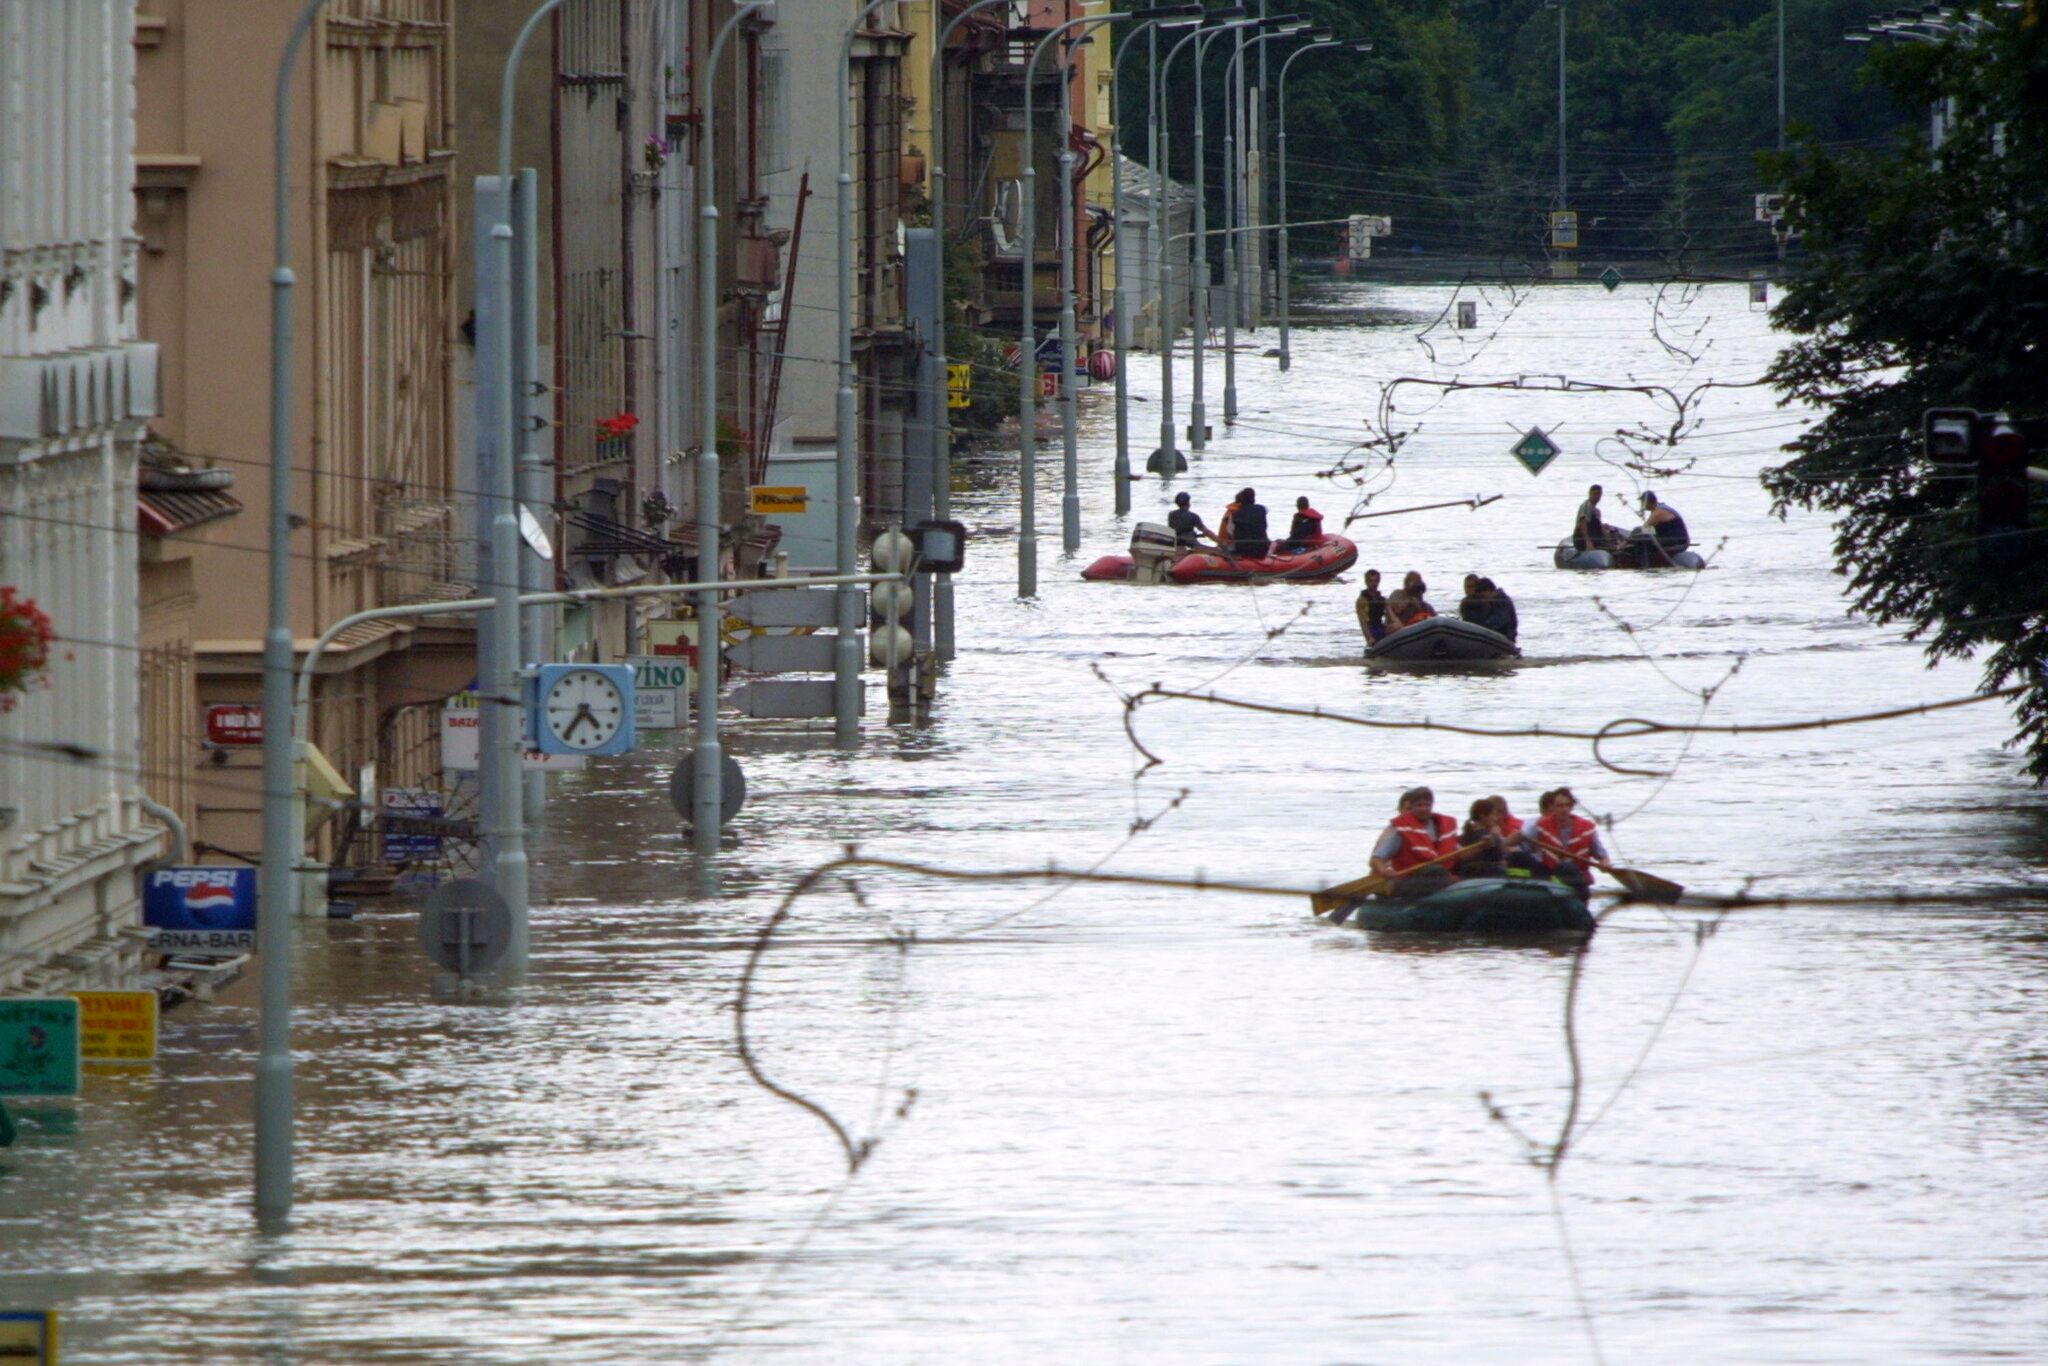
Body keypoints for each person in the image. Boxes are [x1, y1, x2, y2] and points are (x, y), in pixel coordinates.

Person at [1369, 786, 1460, 897]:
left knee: (1443, 870)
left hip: (1437, 876)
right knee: (1434, 870)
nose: (1423, 809)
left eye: (1427, 805)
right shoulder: (1400, 829)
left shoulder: (1439, 826)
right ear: (1411, 808)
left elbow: (1460, 852)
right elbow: (1376, 859)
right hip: (1408, 879)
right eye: (1419, 805)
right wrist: (1383, 871)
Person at [1532, 786, 1608, 893]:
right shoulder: (1541, 826)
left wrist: (1604, 863)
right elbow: (1526, 846)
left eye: (1568, 805)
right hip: (1552, 878)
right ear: (1552, 807)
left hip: (1577, 879)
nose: (1564, 809)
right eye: (1560, 806)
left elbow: (1602, 856)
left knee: (1567, 867)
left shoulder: (1586, 828)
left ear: (1572, 807)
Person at [1618, 490, 1692, 567]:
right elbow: (1652, 530)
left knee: (1640, 538)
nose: (1641, 505)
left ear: (1648, 502)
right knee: (1638, 531)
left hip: (1676, 541)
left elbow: (1645, 527)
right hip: (1668, 537)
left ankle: (1644, 565)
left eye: (1642, 502)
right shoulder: (1658, 509)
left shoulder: (1659, 512)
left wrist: (1625, 542)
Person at [1456, 797, 1510, 878]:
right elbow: (1502, 859)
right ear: (1483, 816)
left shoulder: (1463, 836)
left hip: (1468, 871)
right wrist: (1498, 837)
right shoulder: (1489, 836)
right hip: (1488, 872)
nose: (1495, 819)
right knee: (1522, 869)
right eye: (1493, 815)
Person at [1227, 486, 1270, 559]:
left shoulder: (1234, 514)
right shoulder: (1262, 509)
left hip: (1242, 550)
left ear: (1242, 500)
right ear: (1254, 498)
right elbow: (1266, 510)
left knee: (1228, 548)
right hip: (1262, 549)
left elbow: (1230, 531)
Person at [1573, 484, 1615, 553]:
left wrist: (1604, 528)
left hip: (1595, 538)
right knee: (1610, 547)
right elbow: (1583, 524)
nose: (1597, 496)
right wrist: (1588, 542)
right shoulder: (1586, 505)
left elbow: (1597, 525)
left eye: (1598, 494)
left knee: (1612, 535)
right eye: (1594, 494)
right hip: (1582, 540)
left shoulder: (1596, 511)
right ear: (1590, 494)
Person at [1355, 568, 1390, 644]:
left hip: (1381, 627)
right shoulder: (1362, 601)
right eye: (1371, 581)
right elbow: (1363, 622)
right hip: (1371, 630)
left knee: (1396, 626)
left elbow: (1390, 615)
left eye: (1376, 581)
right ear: (1366, 582)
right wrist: (1369, 637)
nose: (1374, 584)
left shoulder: (1382, 599)